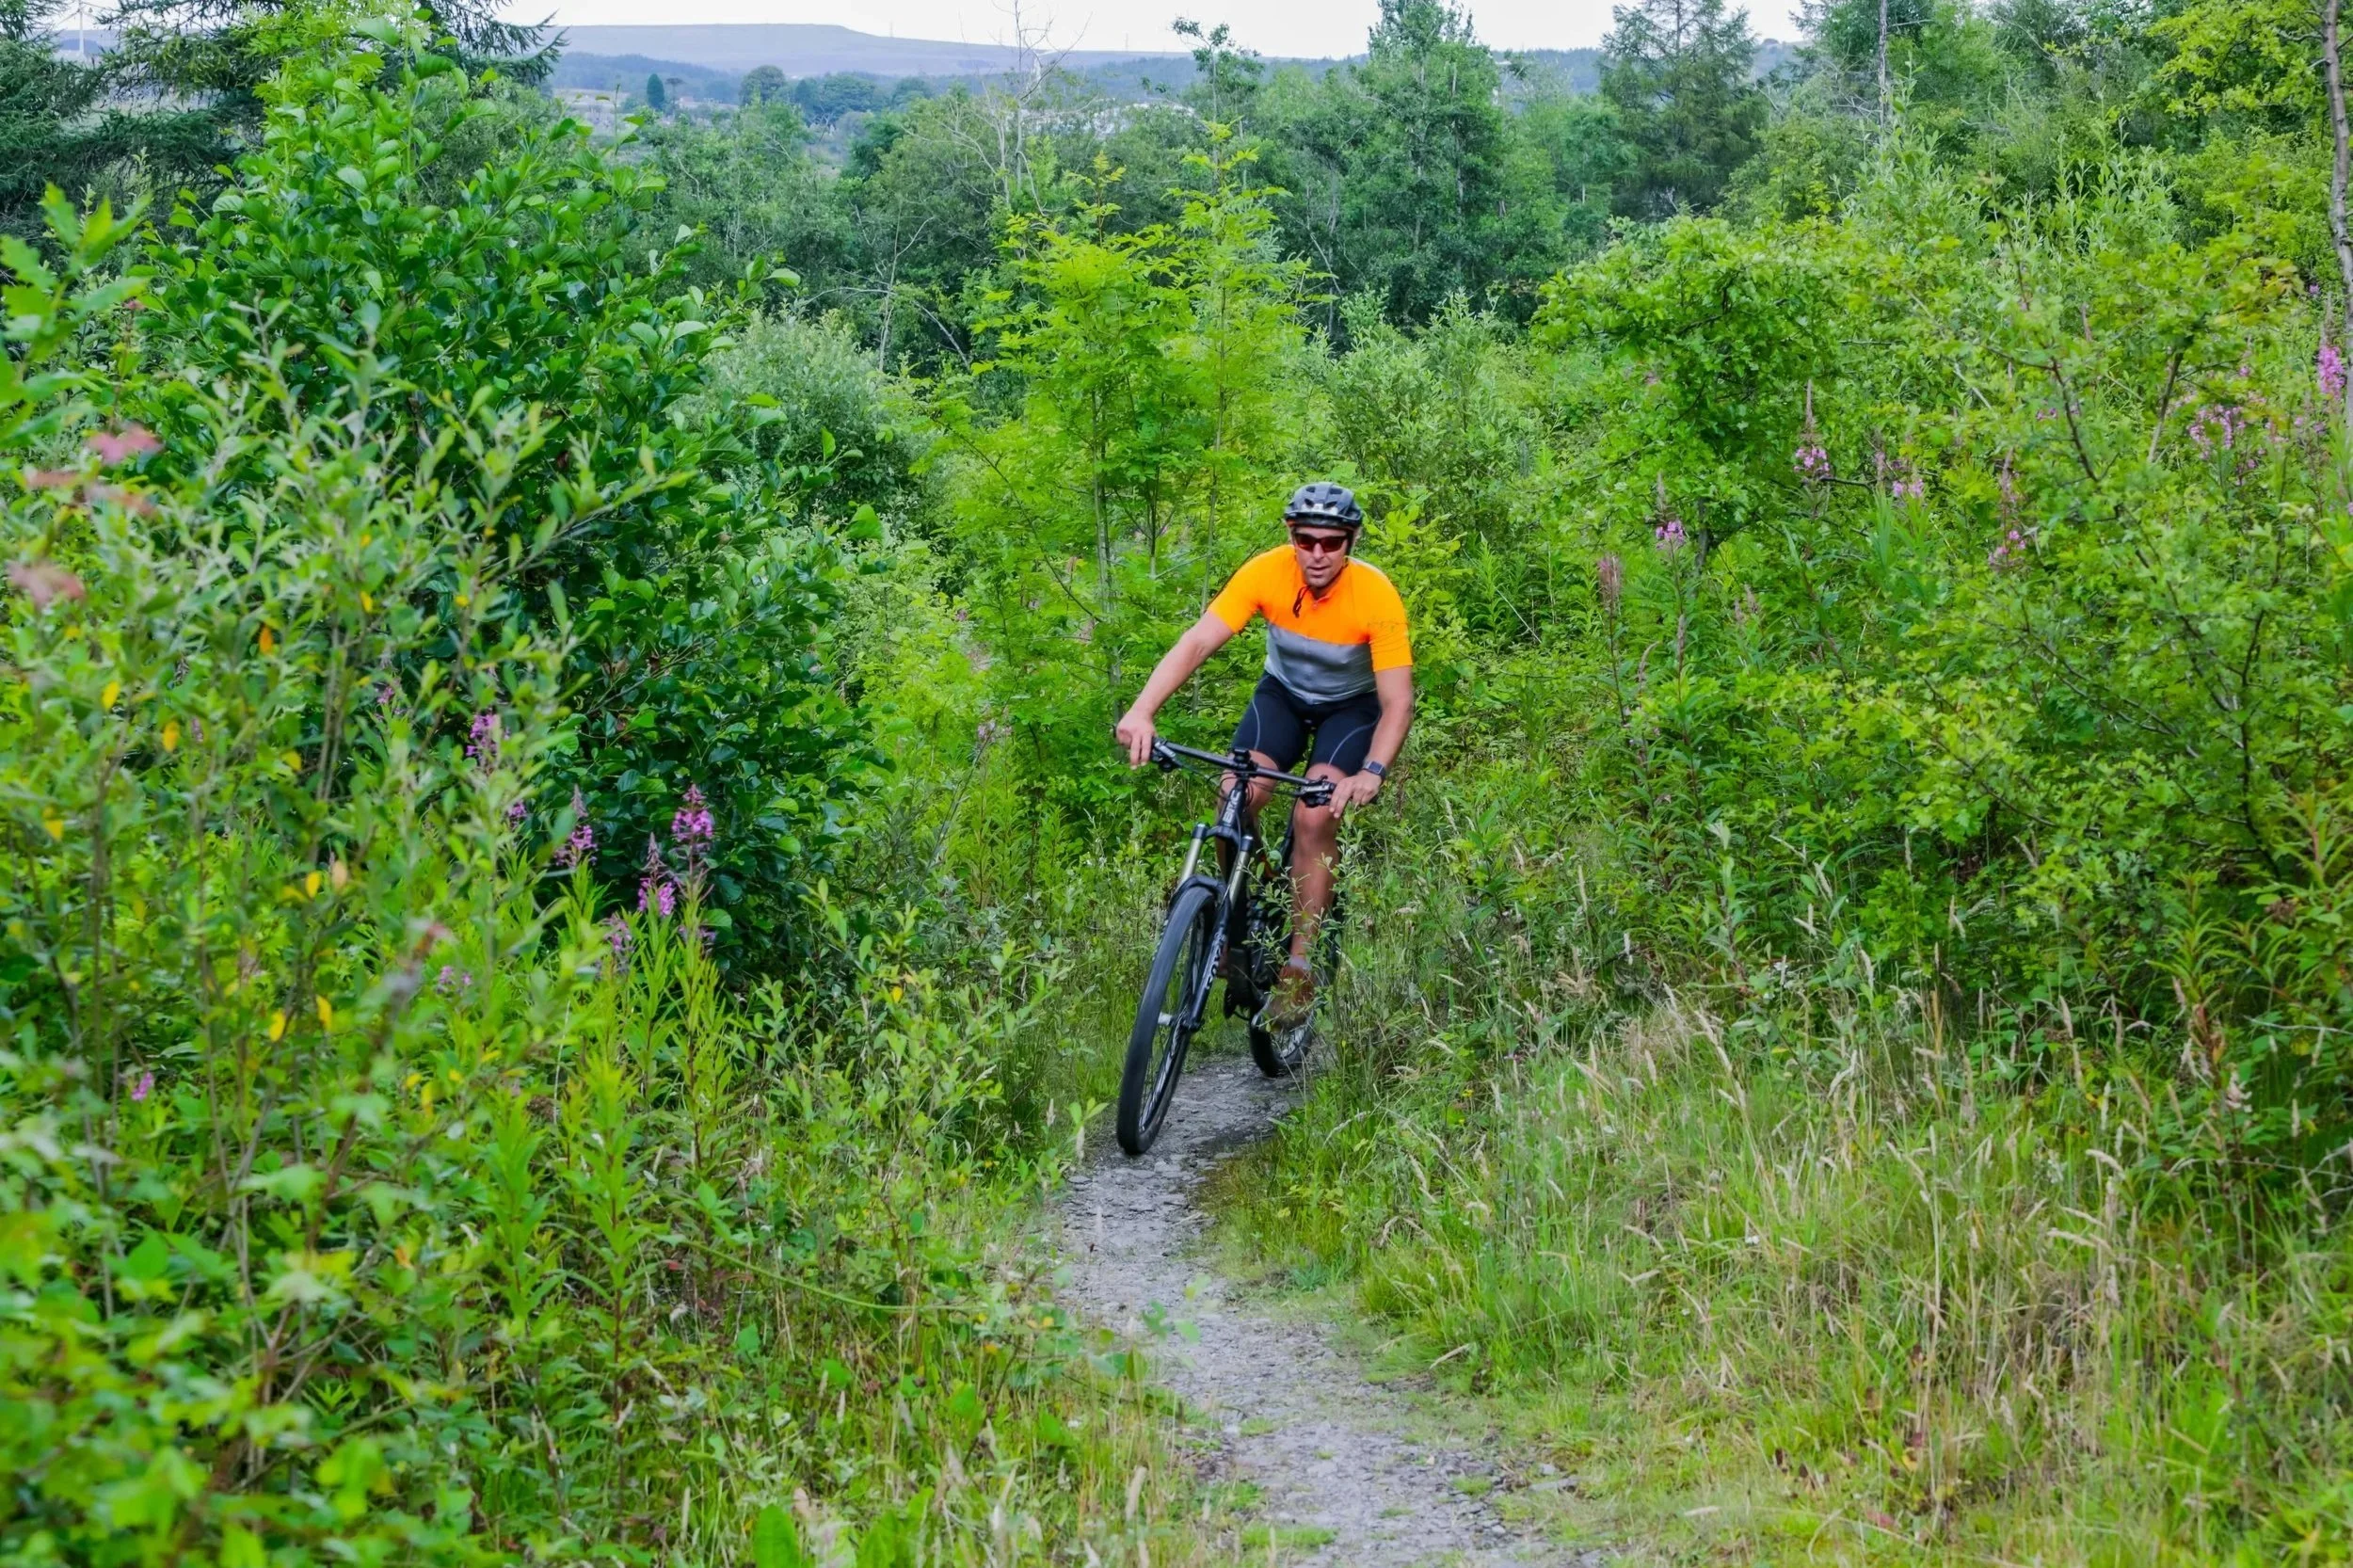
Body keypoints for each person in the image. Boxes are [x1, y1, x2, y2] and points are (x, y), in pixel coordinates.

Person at [1113, 482, 1414, 1029]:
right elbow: (1198, 642)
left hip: (1349, 710)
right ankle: (1236, 931)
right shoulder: (1266, 571)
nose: (1318, 554)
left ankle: (1299, 968)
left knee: (1315, 812)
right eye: (1306, 540)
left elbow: (1397, 702)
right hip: (1282, 697)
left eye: (1332, 543)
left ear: (1350, 543)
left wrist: (1372, 772)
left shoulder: (1375, 593)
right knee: (1234, 793)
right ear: (1291, 537)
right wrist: (1142, 711)